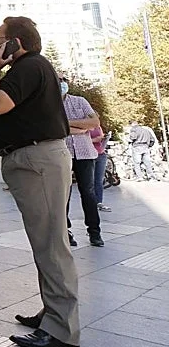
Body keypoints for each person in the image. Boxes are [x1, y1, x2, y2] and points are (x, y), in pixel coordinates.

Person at [0, 16, 81, 347]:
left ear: (17, 42)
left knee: (51, 244)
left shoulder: (29, 66)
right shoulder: (31, 68)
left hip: (38, 160)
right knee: (45, 242)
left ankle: (61, 331)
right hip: (35, 160)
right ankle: (52, 313)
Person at [60, 77, 103, 247]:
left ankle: (94, 231)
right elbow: (55, 126)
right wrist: (82, 127)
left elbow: (94, 122)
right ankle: (66, 231)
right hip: (63, 153)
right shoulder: (49, 104)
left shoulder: (80, 101)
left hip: (85, 153)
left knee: (88, 192)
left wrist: (67, 123)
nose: (61, 84)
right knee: (64, 194)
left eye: (63, 81)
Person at [89, 127, 110, 212]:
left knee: (99, 180)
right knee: (90, 181)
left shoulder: (98, 127)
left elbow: (101, 141)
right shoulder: (84, 128)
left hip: (101, 154)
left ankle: (99, 202)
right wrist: (94, 140)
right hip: (90, 155)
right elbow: (81, 142)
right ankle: (91, 202)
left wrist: (104, 139)